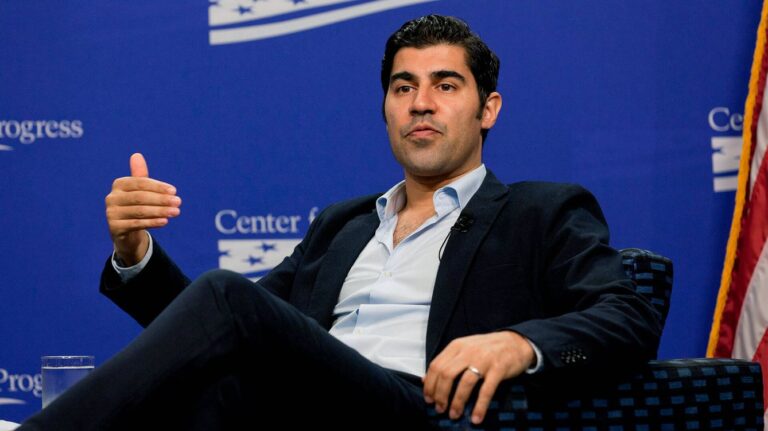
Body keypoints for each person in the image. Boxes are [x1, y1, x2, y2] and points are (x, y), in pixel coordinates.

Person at [19, 14, 661, 430]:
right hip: (303, 409)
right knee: (212, 391)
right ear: (386, 107)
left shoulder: (540, 211)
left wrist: (519, 343)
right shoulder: (343, 225)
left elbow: (628, 316)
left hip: (416, 410)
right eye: (403, 87)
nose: (421, 104)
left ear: (487, 109)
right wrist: (136, 254)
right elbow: (221, 328)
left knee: (226, 294)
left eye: (445, 85)